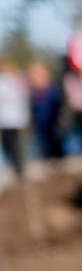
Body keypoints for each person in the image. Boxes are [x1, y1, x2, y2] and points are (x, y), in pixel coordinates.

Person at [0, 58, 30, 186]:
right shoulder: (16, 81)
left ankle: (18, 168)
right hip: (15, 120)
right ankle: (19, 168)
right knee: (16, 146)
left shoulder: (8, 82)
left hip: (8, 120)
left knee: (12, 146)